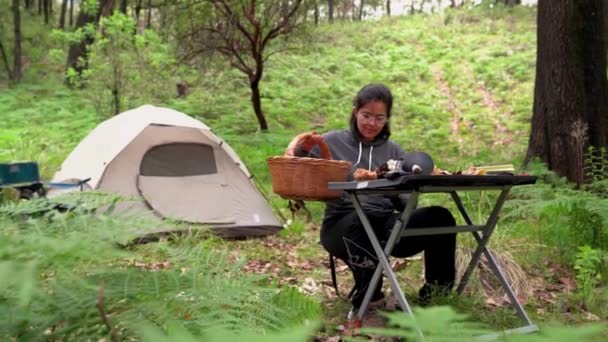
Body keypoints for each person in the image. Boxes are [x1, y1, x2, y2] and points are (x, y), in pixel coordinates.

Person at [286, 83, 457, 311]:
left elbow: (408, 201)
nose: (372, 124)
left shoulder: (394, 151)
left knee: (440, 217)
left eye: (379, 118)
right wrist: (302, 150)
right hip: (342, 223)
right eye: (366, 115)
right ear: (356, 111)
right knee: (361, 223)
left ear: (387, 119)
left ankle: (436, 296)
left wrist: (395, 193)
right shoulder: (331, 142)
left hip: (385, 222)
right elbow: (298, 165)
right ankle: (370, 297)